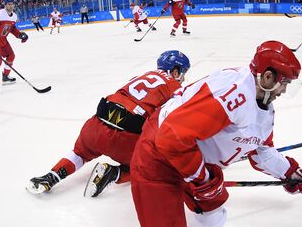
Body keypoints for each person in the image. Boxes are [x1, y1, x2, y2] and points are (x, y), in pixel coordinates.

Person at [42, 41, 302, 227]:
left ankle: (166, 185)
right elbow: (170, 138)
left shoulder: (262, 105)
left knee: (214, 222)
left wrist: (288, 172)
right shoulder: (231, 96)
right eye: (284, 82)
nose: (284, 90)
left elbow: (260, 149)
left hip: (189, 157)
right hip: (157, 157)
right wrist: (200, 179)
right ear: (267, 77)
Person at [27, 51, 191, 197]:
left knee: (80, 153)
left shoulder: (142, 75)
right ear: (175, 71)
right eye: (182, 73)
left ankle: (52, 176)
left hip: (96, 125)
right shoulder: (175, 87)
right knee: (154, 166)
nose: (182, 78)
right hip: (126, 138)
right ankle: (114, 173)